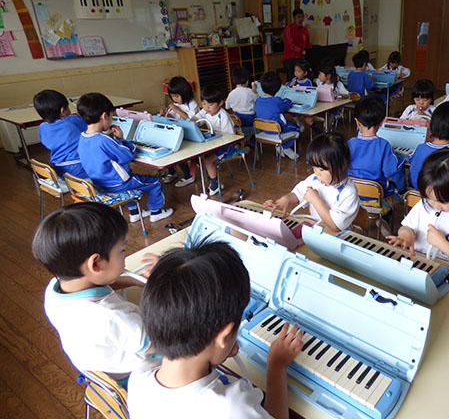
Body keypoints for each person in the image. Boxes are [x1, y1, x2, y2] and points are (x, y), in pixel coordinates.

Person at [128, 241, 303, 419]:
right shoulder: (235, 408)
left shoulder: (138, 377)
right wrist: (277, 366)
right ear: (224, 336)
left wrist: (217, 352)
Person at [32, 202, 156, 385]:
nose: (125, 254)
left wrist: (138, 281)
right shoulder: (114, 316)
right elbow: (158, 345)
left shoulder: (56, 288)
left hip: (97, 369)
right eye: (122, 250)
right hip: (135, 377)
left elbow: (102, 283)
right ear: (95, 264)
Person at [387, 149, 449, 280]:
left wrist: (442, 244)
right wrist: (405, 234)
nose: (434, 205)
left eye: (442, 201)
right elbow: (407, 226)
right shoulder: (425, 204)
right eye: (428, 197)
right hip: (418, 267)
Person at [77, 93, 173, 223]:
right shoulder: (104, 140)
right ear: (104, 116)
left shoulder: (83, 137)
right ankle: (156, 212)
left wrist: (110, 138)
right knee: (154, 182)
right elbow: (128, 155)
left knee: (132, 184)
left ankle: (135, 213)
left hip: (100, 182)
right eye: (111, 116)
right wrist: (121, 139)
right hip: (118, 183)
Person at [264, 132, 359, 233]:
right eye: (314, 168)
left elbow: (335, 227)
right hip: (317, 231)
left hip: (337, 237)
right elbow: (298, 193)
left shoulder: (349, 193)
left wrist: (315, 200)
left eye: (321, 169)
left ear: (342, 165)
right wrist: (286, 199)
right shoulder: (315, 179)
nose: (317, 173)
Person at [348, 95, 406, 200]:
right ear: (382, 122)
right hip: (376, 195)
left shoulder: (350, 143)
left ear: (357, 122)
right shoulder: (384, 145)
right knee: (399, 165)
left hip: (352, 193)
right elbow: (390, 171)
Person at [193, 85, 237, 196]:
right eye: (204, 104)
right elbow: (196, 118)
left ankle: (214, 184)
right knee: (198, 156)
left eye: (210, 104)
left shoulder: (223, 116)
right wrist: (192, 121)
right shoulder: (205, 111)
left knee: (208, 160)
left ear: (221, 103)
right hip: (214, 143)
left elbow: (230, 137)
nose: (206, 107)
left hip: (227, 146)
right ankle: (212, 176)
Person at [33, 89, 87, 179]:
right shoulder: (73, 121)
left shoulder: (42, 127)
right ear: (62, 111)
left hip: (59, 169)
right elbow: (91, 127)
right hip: (79, 167)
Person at [161, 76, 199, 187]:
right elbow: (173, 117)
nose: (175, 99)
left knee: (177, 150)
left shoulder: (192, 104)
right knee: (166, 146)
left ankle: (188, 175)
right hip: (179, 132)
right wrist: (166, 114)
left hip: (191, 133)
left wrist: (177, 110)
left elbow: (191, 121)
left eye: (177, 96)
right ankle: (172, 172)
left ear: (185, 93)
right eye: (172, 96)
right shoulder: (177, 104)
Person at [255, 71, 300, 161]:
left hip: (263, 130)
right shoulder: (277, 101)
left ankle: (280, 146)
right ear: (278, 88)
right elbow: (287, 104)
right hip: (278, 130)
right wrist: (288, 100)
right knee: (296, 128)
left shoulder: (258, 100)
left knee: (288, 124)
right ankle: (284, 147)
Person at [226, 66, 258, 135]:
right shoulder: (250, 92)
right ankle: (253, 140)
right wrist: (255, 91)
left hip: (237, 120)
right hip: (250, 119)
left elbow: (227, 107)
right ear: (247, 81)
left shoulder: (231, 93)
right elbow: (257, 100)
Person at [283, 8, 310, 80]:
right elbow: (291, 45)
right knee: (296, 66)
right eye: (298, 17)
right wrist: (302, 51)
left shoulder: (304, 30)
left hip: (301, 57)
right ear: (294, 18)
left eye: (302, 17)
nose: (300, 19)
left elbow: (308, 44)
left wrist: (310, 51)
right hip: (290, 57)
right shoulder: (288, 29)